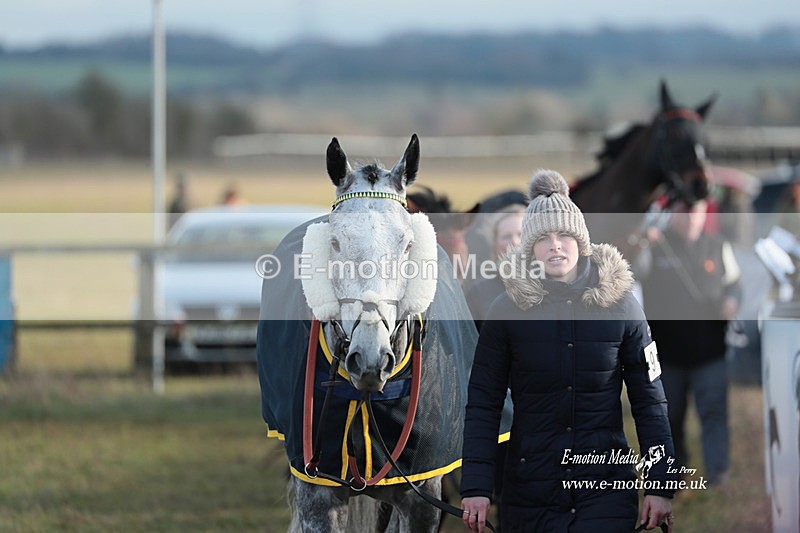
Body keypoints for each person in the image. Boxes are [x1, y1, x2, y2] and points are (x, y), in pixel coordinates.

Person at [460, 169, 676, 533]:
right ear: (530, 248)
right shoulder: (505, 310)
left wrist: (660, 484)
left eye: (564, 235)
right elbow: (483, 402)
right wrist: (476, 488)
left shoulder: (623, 307)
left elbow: (650, 401)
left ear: (581, 240)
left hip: (605, 488)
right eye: (543, 238)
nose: (555, 246)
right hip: (530, 493)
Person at [638, 199, 742, 487]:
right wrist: (642, 243)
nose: (691, 218)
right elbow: (633, 273)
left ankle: (718, 476)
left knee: (714, 413)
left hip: (711, 352)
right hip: (666, 354)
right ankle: (675, 473)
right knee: (670, 417)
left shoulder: (718, 245)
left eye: (696, 211)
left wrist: (732, 300)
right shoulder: (655, 245)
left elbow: (734, 283)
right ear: (672, 214)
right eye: (684, 212)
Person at [466, 206, 524, 330]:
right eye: (506, 236)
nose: (514, 242)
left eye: (521, 234)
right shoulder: (478, 292)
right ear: (494, 244)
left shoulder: (551, 283)